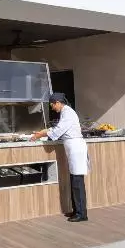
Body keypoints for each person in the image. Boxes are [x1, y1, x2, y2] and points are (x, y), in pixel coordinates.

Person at [31, 92, 89, 222]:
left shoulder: (68, 113)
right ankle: (77, 211)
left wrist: (41, 134)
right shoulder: (65, 112)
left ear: (58, 102)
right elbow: (59, 129)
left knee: (77, 181)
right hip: (73, 149)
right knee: (74, 179)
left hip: (76, 148)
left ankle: (81, 214)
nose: (52, 108)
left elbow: (58, 130)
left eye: (52, 105)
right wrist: (44, 132)